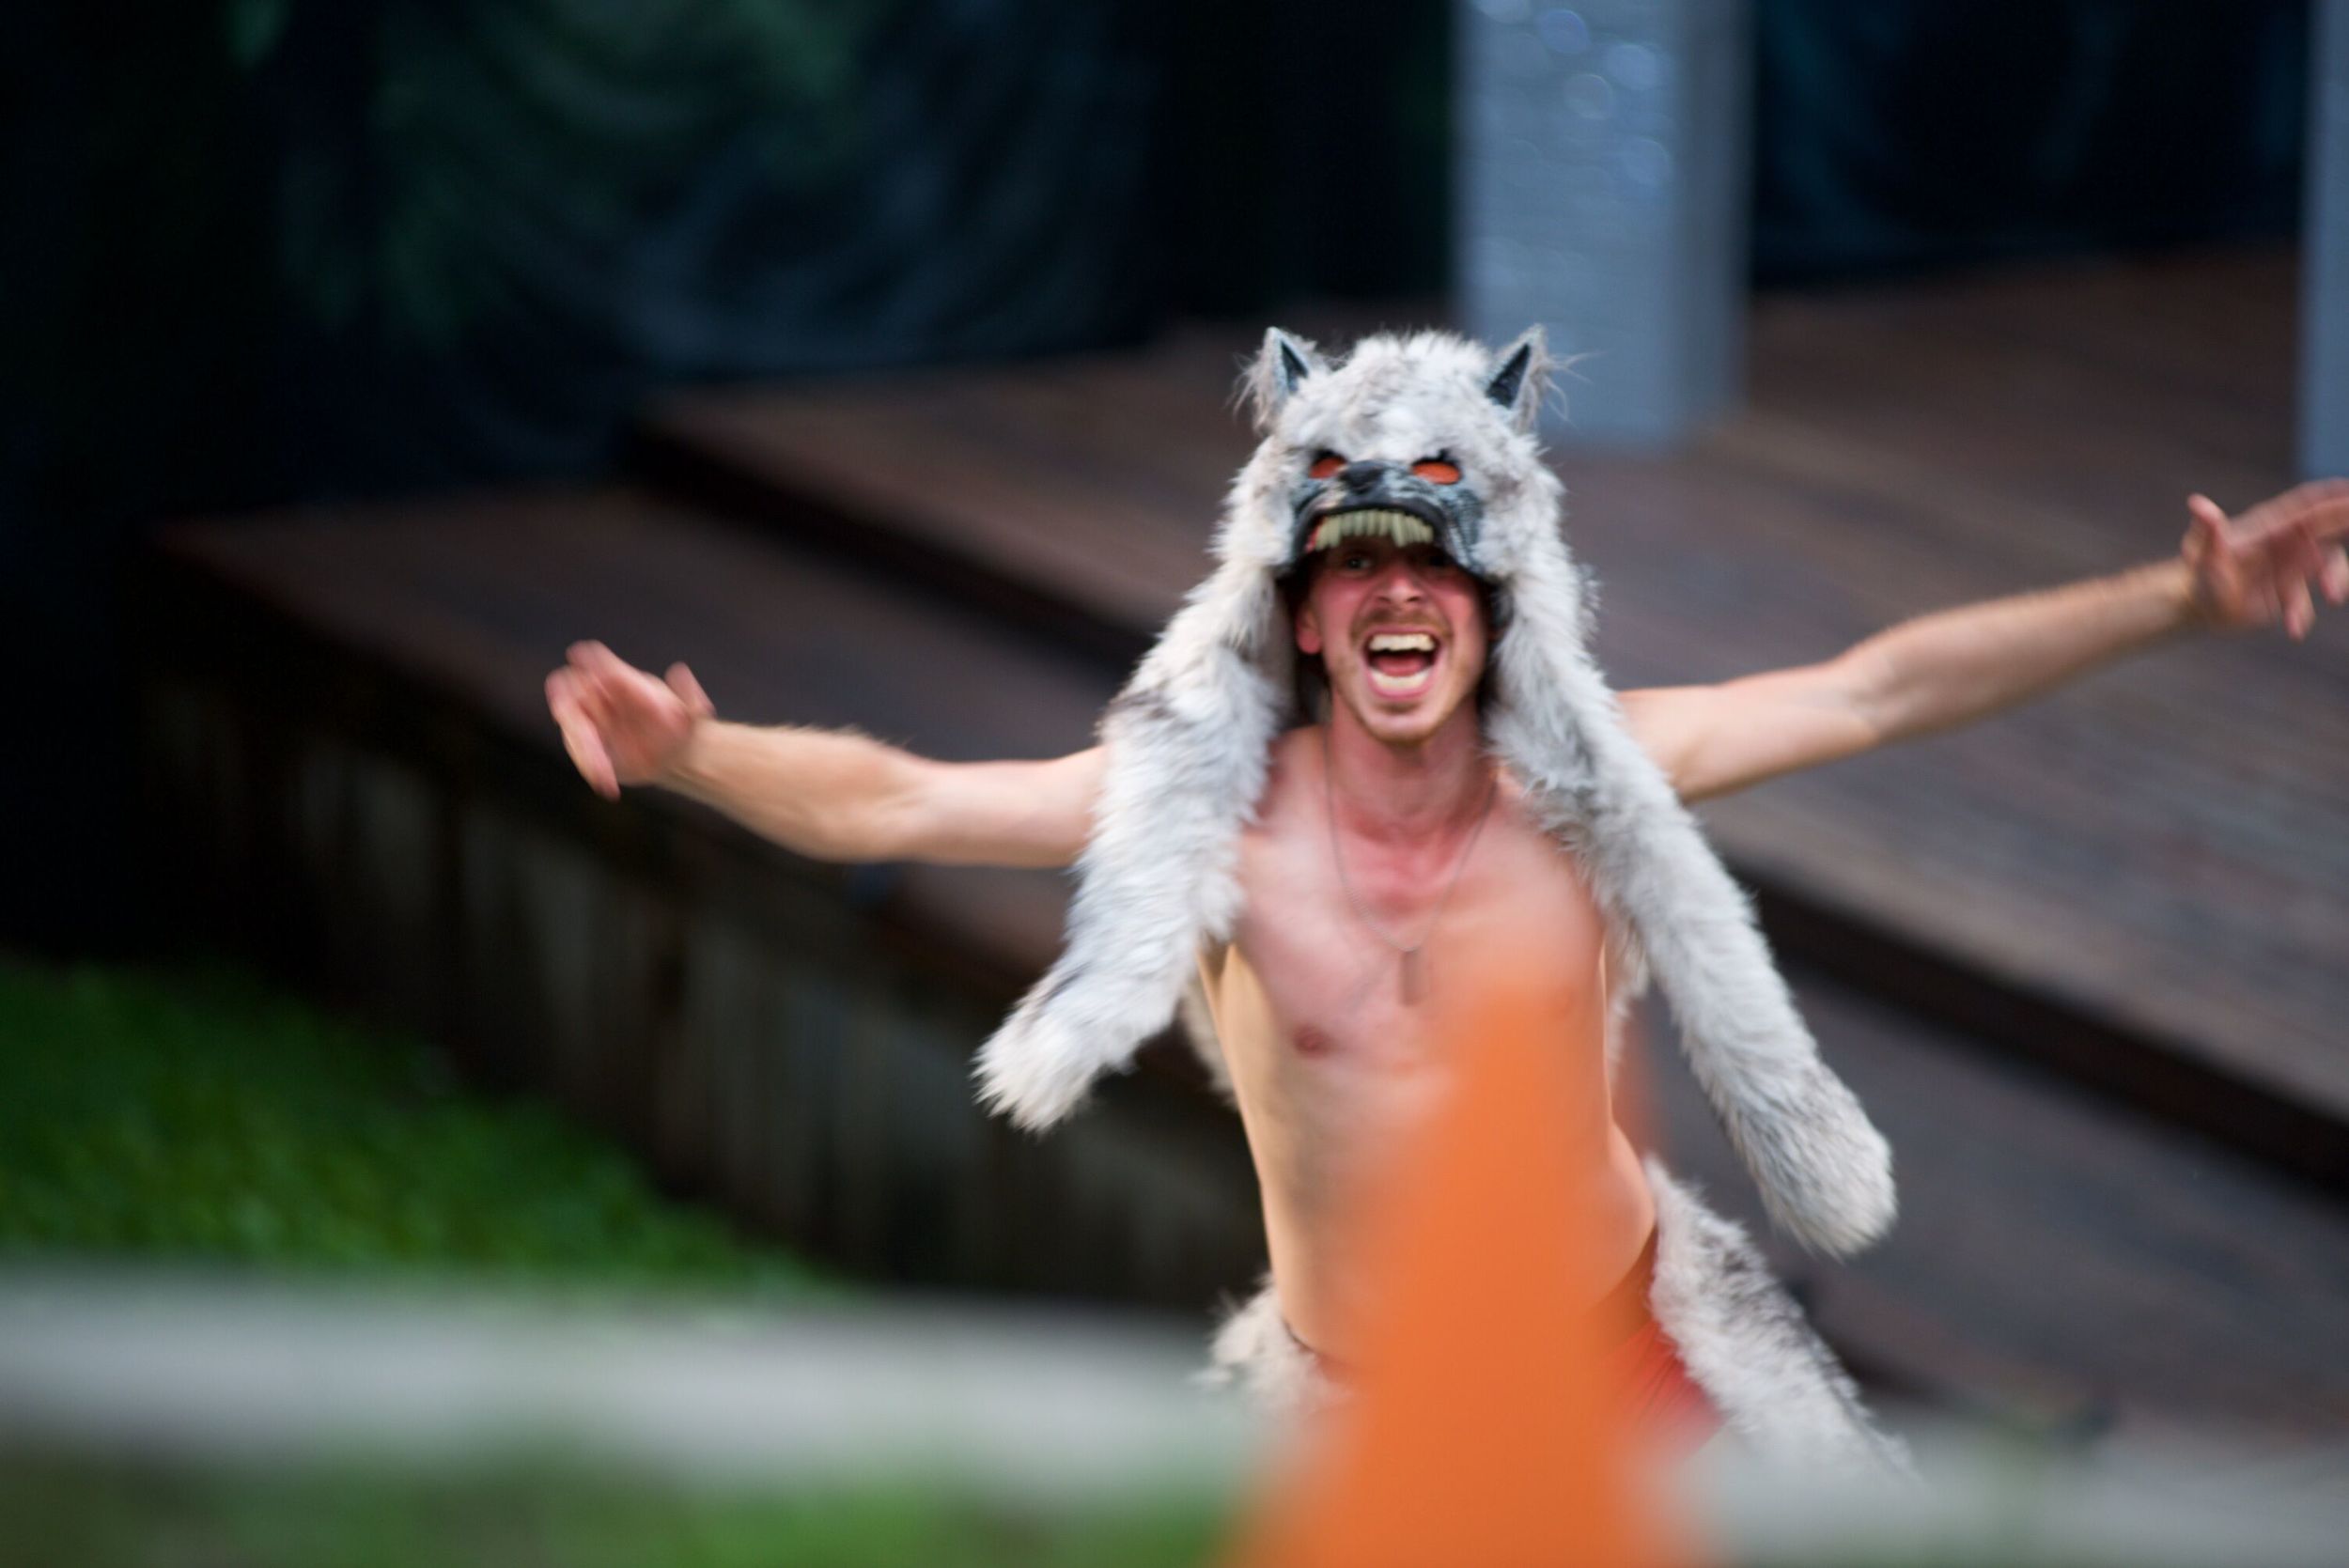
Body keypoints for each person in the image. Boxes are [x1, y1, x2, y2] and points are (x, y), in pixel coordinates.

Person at [546, 328, 2349, 1471]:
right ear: (1300, 611)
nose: (1397, 592)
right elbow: (912, 796)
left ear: (1496, 605)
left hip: (1624, 1349)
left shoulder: (1587, 783)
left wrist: (2170, 601)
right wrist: (701, 753)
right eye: (1357, 566)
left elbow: (1880, 685)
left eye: (1436, 562)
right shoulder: (1216, 815)